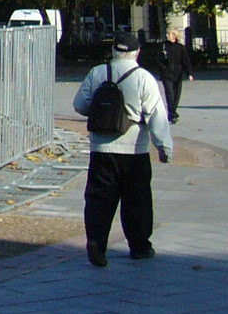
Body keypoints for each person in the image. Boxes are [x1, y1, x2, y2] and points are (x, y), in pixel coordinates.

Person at [72, 31, 173, 266]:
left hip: (101, 148)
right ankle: (139, 246)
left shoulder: (98, 72)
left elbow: (80, 105)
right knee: (136, 199)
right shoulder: (143, 77)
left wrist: (102, 111)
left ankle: (96, 243)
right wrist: (163, 146)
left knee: (98, 199)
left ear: (113, 51)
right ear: (137, 52)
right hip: (134, 149)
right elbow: (156, 115)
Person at [160, 28, 194, 123]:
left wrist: (189, 73)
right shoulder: (163, 46)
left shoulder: (180, 47)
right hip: (166, 74)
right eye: (167, 34)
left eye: (170, 34)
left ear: (175, 35)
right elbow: (157, 59)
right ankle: (172, 114)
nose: (167, 36)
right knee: (169, 94)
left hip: (178, 74)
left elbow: (186, 61)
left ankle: (172, 112)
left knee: (176, 95)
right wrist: (162, 66)